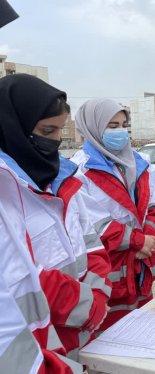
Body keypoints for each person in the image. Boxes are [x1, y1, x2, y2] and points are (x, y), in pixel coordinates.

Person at [0, 74, 111, 364]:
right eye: (47, 130)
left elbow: (92, 244)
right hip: (42, 344)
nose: (56, 141)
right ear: (13, 127)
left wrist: (97, 296)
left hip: (85, 331)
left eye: (60, 131)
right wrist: (86, 305)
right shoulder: (6, 191)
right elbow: (22, 277)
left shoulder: (63, 180)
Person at [72, 98, 155, 331]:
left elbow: (154, 209)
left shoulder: (140, 164)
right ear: (92, 128)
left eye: (124, 125)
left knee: (144, 332)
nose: (121, 132)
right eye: (112, 126)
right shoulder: (79, 170)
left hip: (140, 267)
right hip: (109, 271)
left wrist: (147, 237)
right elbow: (93, 226)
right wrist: (138, 241)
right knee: (109, 341)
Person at [0, 165, 82, 373]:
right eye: (47, 130)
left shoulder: (65, 174)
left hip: (56, 345)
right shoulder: (13, 184)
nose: (56, 139)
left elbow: (89, 239)